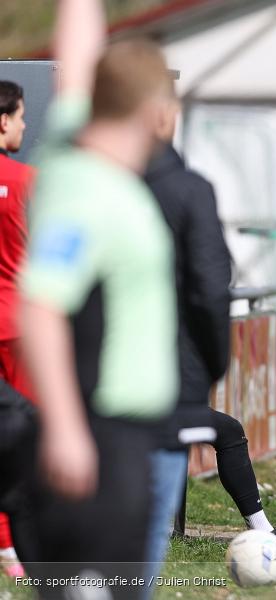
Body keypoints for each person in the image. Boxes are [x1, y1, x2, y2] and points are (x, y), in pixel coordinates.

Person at [14, 0, 179, 597]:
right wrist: (65, 428)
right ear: (157, 113)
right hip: (97, 442)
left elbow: (79, 59)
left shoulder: (72, 141)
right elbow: (42, 303)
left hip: (120, 439)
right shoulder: (89, 189)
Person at [141, 84, 276, 588]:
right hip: (144, 392)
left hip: (120, 386)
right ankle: (261, 534)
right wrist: (211, 362)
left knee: (222, 429)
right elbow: (210, 287)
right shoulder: (184, 190)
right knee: (209, 436)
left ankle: (261, 533)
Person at [0, 79, 33, 579]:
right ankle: (14, 548)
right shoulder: (31, 180)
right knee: (22, 437)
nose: (25, 125)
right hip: (17, 324)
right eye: (22, 116)